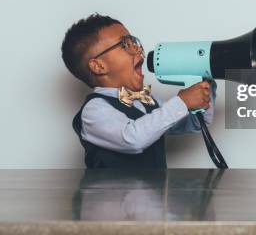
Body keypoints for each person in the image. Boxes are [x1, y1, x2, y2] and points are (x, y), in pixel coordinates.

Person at [61, 13, 215, 168]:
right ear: (99, 66)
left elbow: (195, 123)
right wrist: (181, 102)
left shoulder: (148, 102)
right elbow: (133, 139)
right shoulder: (94, 111)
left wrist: (206, 84)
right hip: (111, 193)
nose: (137, 49)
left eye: (134, 42)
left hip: (155, 192)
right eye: (126, 44)